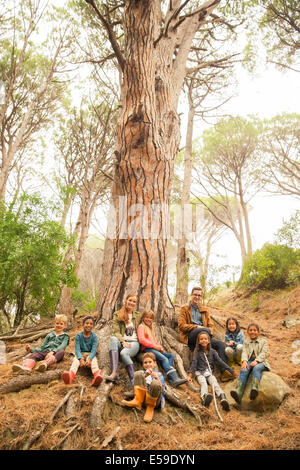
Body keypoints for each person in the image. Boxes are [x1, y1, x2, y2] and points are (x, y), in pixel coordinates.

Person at [178, 286, 230, 380]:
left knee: (220, 344)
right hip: (191, 335)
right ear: (191, 295)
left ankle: (225, 372)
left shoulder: (204, 310)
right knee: (201, 330)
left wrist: (207, 331)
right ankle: (204, 333)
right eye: (195, 295)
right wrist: (197, 327)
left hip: (204, 337)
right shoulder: (184, 308)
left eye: (199, 295)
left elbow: (211, 326)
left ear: (201, 297)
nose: (197, 297)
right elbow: (181, 326)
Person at [187, 331, 236, 410]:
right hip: (200, 373)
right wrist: (190, 375)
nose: (204, 340)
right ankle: (205, 399)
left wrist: (231, 371)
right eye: (201, 339)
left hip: (209, 373)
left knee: (214, 383)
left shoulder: (213, 352)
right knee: (203, 383)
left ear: (209, 340)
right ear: (198, 341)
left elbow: (221, 362)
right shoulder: (197, 351)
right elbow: (194, 363)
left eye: (205, 339)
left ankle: (223, 398)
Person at [137, 310, 187, 387]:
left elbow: (154, 341)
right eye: (146, 317)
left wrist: (159, 347)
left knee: (170, 356)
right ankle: (174, 379)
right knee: (164, 359)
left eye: (150, 318)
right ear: (143, 317)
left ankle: (167, 376)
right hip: (146, 349)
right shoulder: (141, 327)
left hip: (153, 348)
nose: (148, 319)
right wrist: (154, 346)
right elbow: (142, 340)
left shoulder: (150, 329)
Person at [230, 323, 270, 404]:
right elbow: (244, 352)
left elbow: (264, 353)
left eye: (255, 330)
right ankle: (238, 392)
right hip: (249, 361)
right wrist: (244, 361)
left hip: (261, 362)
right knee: (244, 370)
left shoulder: (263, 342)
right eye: (251, 330)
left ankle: (254, 389)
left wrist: (257, 361)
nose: (252, 332)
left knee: (257, 368)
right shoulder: (246, 342)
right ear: (248, 332)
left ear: (258, 332)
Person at [105, 294, 141, 386]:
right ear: (126, 300)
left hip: (133, 343)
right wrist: (122, 341)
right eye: (130, 300)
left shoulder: (137, 315)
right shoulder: (117, 314)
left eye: (134, 301)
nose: (131, 303)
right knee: (113, 338)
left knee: (124, 353)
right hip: (122, 342)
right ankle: (114, 373)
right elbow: (116, 332)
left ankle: (134, 384)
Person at [121, 352, 167, 422]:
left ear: (155, 363)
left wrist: (157, 379)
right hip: (142, 398)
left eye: (150, 362)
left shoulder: (159, 374)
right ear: (143, 364)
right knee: (137, 373)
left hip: (154, 401)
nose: (148, 364)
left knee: (155, 383)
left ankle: (150, 408)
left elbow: (163, 391)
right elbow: (134, 385)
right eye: (145, 363)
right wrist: (145, 376)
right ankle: (137, 401)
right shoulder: (142, 373)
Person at [62, 316, 103, 387]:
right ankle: (70, 376)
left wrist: (90, 358)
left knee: (94, 362)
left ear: (93, 326)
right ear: (83, 324)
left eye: (91, 324)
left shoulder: (94, 337)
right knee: (75, 361)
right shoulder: (78, 336)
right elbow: (77, 349)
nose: (89, 325)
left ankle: (97, 376)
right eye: (87, 323)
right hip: (80, 354)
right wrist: (80, 359)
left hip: (90, 354)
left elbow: (94, 350)